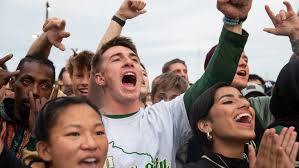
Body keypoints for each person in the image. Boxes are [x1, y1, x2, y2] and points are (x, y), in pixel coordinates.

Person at [89, 0, 251, 167]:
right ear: (99, 78)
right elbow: (96, 66)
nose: (129, 63)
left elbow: (214, 79)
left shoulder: (166, 117)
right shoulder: (87, 124)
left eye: (134, 59)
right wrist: (119, 18)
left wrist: (233, 21)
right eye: (117, 59)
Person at [185, 83, 298, 168]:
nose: (245, 103)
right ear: (205, 125)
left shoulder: (265, 163)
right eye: (228, 101)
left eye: (243, 98)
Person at [0, 54, 57, 158]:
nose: (34, 91)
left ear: (52, 92)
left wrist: (37, 133)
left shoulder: (57, 132)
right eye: (27, 82)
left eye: (44, 86)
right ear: (12, 84)